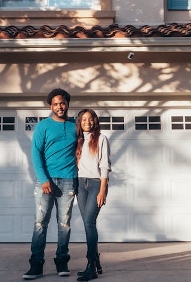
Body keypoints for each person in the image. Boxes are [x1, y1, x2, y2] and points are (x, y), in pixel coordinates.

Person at [23, 88, 78, 280]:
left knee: (64, 225)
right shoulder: (43, 126)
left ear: (67, 103)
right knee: (40, 224)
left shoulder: (75, 125)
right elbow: (35, 154)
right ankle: (36, 264)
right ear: (50, 107)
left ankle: (62, 261)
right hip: (45, 181)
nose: (59, 106)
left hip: (68, 180)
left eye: (62, 103)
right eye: (55, 104)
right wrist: (44, 179)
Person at [74, 108, 111, 281]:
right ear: (79, 123)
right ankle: (96, 262)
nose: (87, 122)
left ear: (94, 121)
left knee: (89, 222)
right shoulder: (78, 140)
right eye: (83, 119)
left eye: (90, 119)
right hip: (80, 184)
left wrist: (103, 190)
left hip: (96, 183)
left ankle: (91, 266)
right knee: (88, 224)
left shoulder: (101, 139)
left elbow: (104, 165)